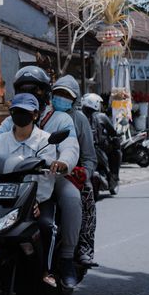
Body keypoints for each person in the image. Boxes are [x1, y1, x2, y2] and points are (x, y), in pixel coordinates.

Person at [0, 65, 82, 289]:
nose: (31, 95)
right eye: (24, 90)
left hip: (48, 178)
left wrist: (63, 162)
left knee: (71, 199)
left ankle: (65, 259)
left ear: (45, 92)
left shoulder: (61, 119)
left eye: (36, 90)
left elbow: (70, 147)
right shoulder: (12, 121)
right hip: (12, 181)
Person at [0, 93, 59, 284]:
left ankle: (46, 271)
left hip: (35, 199)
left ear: (35, 115)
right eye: (15, 111)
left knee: (46, 226)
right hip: (5, 196)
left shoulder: (45, 141)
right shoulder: (3, 139)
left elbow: (47, 178)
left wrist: (36, 200)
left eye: (23, 112)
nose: (19, 115)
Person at [52, 75, 99, 268]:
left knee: (86, 197)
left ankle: (83, 249)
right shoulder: (43, 115)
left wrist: (82, 174)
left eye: (66, 95)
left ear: (75, 99)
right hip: (41, 173)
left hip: (71, 174)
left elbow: (89, 157)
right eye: (58, 94)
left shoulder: (79, 120)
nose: (61, 98)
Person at [82, 93, 122, 185]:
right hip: (98, 147)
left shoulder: (79, 115)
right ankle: (114, 175)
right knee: (116, 150)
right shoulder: (101, 116)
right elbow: (113, 132)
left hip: (84, 146)